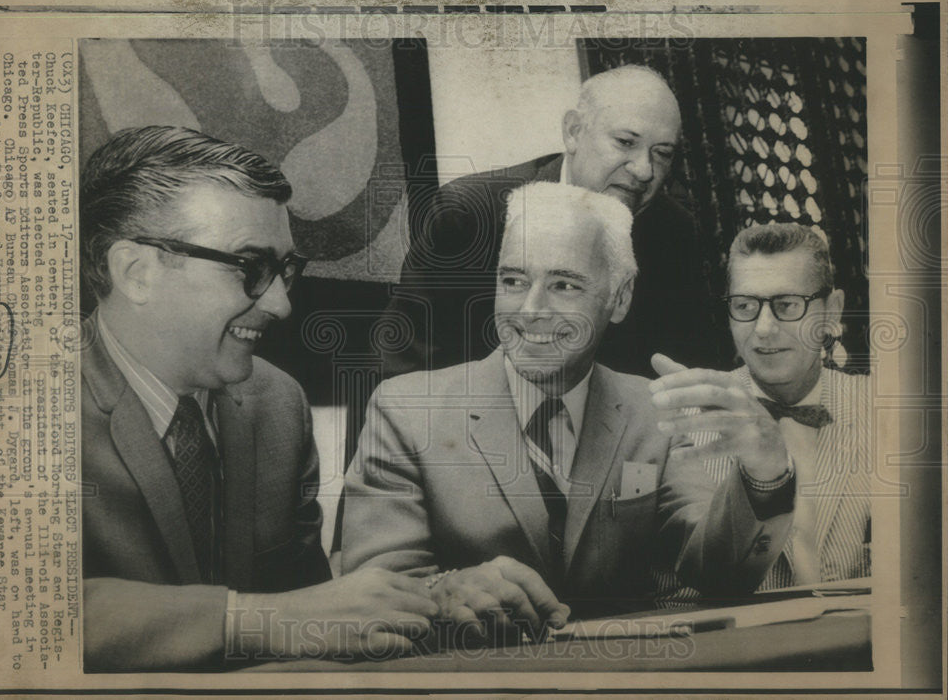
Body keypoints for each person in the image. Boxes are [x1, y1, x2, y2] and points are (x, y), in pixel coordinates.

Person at [342, 182, 793, 637]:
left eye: (563, 285)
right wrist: (444, 589)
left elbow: (719, 574)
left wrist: (766, 474)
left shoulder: (649, 410)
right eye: (514, 281)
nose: (531, 309)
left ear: (619, 298)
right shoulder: (405, 409)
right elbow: (373, 594)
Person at [79, 126, 438, 670]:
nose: (280, 304)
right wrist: (260, 620)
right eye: (250, 267)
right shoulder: (7, 409)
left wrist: (435, 603)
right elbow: (13, 616)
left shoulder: (277, 402)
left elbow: (311, 608)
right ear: (136, 272)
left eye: (285, 270)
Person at [380, 63, 723, 380]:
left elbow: (691, 364)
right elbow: (404, 371)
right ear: (573, 131)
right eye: (625, 142)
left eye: (662, 153)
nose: (644, 170)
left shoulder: (673, 233)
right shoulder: (470, 215)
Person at [652, 223, 870, 592]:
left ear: (833, 311)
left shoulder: (891, 411)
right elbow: (682, 585)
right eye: (745, 307)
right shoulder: (684, 422)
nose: (764, 328)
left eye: (787, 305)